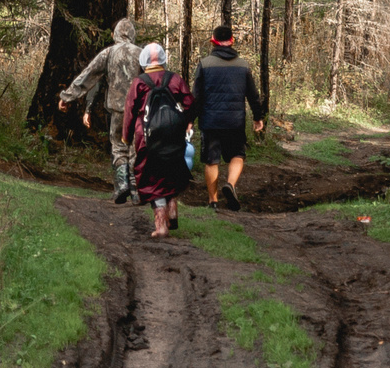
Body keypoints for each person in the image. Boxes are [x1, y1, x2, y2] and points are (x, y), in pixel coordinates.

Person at [57, 19, 154, 204]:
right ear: (132, 34)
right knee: (135, 146)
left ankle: (122, 183)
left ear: (115, 34)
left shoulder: (108, 53)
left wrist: (67, 96)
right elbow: (153, 79)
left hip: (117, 109)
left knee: (118, 144)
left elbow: (88, 75)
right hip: (139, 109)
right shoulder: (141, 54)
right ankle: (136, 190)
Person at [191, 23, 267, 211]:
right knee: (237, 155)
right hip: (235, 122)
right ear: (231, 41)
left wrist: (189, 120)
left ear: (213, 42)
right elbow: (253, 95)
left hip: (210, 122)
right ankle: (230, 184)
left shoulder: (205, 64)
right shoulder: (243, 65)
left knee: (211, 160)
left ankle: (213, 201)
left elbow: (196, 97)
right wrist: (258, 117)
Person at [122, 47, 196, 238]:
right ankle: (172, 212)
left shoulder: (139, 82)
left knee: (151, 178)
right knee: (172, 171)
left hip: (147, 138)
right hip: (174, 134)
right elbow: (190, 103)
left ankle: (161, 226)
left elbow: (130, 111)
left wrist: (126, 136)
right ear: (163, 59)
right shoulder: (175, 79)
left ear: (144, 60)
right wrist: (188, 122)